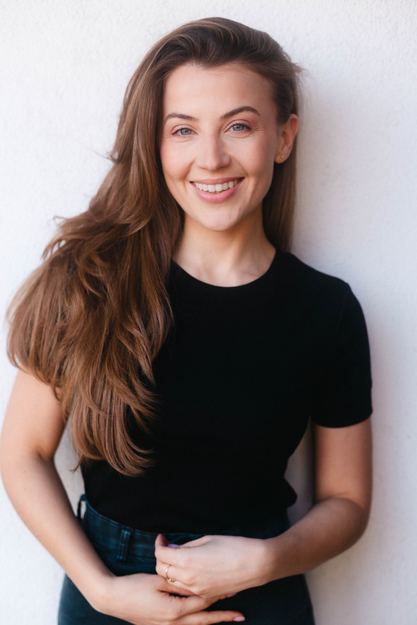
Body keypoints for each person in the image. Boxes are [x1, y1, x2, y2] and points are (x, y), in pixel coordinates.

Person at [0, 16, 372, 625]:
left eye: (239, 126)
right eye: (183, 130)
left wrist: (269, 559)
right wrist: (101, 590)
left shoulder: (327, 310)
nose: (212, 158)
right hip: (107, 591)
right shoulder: (89, 281)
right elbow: (22, 453)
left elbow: (348, 501)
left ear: (283, 137)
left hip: (260, 596)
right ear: (156, 145)